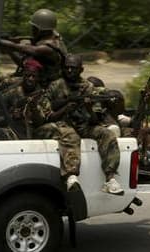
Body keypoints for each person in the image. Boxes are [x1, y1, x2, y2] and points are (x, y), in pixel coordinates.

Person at [48, 54, 124, 195]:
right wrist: (67, 104)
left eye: (73, 68)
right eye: (67, 68)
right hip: (63, 123)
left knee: (106, 134)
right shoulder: (56, 85)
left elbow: (95, 120)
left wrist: (89, 108)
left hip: (84, 124)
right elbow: (49, 110)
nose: (70, 71)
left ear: (81, 70)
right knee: (71, 137)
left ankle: (110, 179)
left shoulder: (88, 88)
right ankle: (71, 176)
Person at [3, 58, 82, 191]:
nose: (30, 79)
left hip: (34, 132)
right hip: (13, 133)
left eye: (34, 76)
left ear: (38, 78)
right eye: (27, 75)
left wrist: (34, 108)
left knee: (65, 132)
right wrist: (11, 115)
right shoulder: (12, 92)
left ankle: (70, 174)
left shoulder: (41, 95)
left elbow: (44, 119)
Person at [0, 9, 67, 84]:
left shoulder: (48, 48)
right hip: (38, 79)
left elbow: (23, 49)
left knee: (2, 84)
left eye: (34, 27)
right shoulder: (51, 37)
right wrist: (11, 47)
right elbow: (25, 63)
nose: (32, 29)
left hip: (46, 85)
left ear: (39, 29)